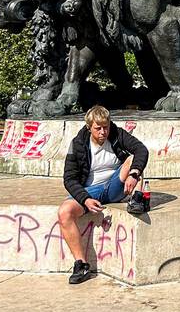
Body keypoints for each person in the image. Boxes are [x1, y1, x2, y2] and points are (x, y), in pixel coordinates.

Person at [58, 105, 149, 285]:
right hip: (91, 191)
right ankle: (81, 264)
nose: (103, 132)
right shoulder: (77, 144)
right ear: (89, 127)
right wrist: (85, 199)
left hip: (115, 186)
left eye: (105, 127)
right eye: (98, 128)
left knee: (134, 161)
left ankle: (138, 200)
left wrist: (134, 174)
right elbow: (69, 179)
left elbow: (141, 150)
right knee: (64, 212)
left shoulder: (116, 134)